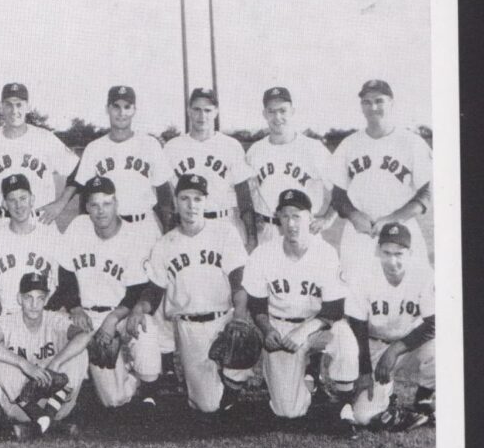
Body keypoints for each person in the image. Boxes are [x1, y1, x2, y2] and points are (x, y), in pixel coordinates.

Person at [130, 174, 252, 415]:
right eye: (185, 198)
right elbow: (154, 292)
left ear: (206, 202)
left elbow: (239, 282)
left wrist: (239, 314)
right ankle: (219, 383)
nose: (191, 205)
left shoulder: (225, 233)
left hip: (224, 320)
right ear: (176, 202)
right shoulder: (166, 243)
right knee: (207, 405)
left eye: (197, 198)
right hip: (189, 328)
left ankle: (233, 384)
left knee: (241, 344)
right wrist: (138, 309)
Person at [242, 189, 359, 425]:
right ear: (278, 219)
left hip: (317, 327)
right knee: (288, 411)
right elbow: (256, 305)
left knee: (345, 338)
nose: (291, 223)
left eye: (297, 216)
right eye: (285, 216)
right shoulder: (263, 254)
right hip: (280, 328)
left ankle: (345, 404)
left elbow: (335, 308)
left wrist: (304, 331)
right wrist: (267, 331)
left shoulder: (325, 253)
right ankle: (308, 381)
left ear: (310, 218)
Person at [48, 176, 162, 411]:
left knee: (146, 328)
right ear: (87, 207)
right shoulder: (79, 227)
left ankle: (149, 389)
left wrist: (112, 321)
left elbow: (136, 291)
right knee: (114, 400)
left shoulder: (133, 236)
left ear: (116, 203)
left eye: (106, 204)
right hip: (88, 317)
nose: (100, 211)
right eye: (94, 205)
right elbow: (66, 275)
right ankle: (128, 378)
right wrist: (76, 307)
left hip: (120, 315)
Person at [331, 79, 432, 279]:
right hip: (359, 232)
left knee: (410, 294)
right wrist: (353, 215)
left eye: (379, 101)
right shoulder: (349, 144)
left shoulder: (412, 142)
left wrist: (394, 218)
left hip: (401, 230)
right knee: (356, 297)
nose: (373, 107)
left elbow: (426, 193)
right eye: (367, 102)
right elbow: (338, 195)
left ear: (391, 103)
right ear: (361, 106)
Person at [0, 272, 90, 439]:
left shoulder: (54, 320)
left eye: (40, 298)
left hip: (55, 401)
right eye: (28, 298)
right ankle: (47, 423)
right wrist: (23, 364)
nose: (34, 304)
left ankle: (42, 422)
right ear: (19, 299)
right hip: (21, 405)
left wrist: (55, 364)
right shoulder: (9, 322)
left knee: (80, 353)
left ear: (46, 299)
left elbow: (83, 336)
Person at [346, 223, 435, 430]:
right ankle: (390, 404)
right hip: (373, 345)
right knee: (363, 417)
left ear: (410, 253)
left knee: (442, 345)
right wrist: (365, 371)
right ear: (377, 250)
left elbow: (434, 323)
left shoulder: (423, 274)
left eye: (399, 254)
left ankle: (423, 398)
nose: (392, 261)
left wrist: (394, 350)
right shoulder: (364, 274)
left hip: (409, 345)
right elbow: (356, 326)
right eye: (386, 253)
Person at [0, 82, 80, 233]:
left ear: (28, 107)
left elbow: (80, 170)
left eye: (19, 104)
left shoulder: (45, 139)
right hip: (2, 226)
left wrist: (60, 204)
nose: (14, 110)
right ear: (1, 107)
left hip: (41, 224)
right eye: (8, 105)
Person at [163, 87, 257, 252]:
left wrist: (251, 237)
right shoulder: (172, 148)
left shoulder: (231, 146)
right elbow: (166, 199)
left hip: (225, 223)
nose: (202, 116)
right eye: (197, 109)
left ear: (216, 112)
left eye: (208, 110)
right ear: (189, 111)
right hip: (187, 227)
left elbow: (244, 197)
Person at [73, 85, 175, 230]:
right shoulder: (94, 148)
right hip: (107, 229)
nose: (122, 113)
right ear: (107, 109)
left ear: (134, 110)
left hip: (143, 225)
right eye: (116, 107)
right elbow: (85, 198)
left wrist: (167, 231)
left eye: (127, 107)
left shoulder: (150, 144)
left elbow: (165, 195)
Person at [245, 87, 335, 246]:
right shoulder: (255, 151)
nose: (277, 117)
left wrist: (327, 219)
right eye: (271, 111)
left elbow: (341, 187)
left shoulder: (313, 148)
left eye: (283, 110)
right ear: (264, 114)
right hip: (267, 231)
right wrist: (254, 216)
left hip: (303, 230)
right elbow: (248, 192)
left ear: (292, 111)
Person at [0, 173, 63, 312]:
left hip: (41, 314)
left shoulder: (50, 234)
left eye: (23, 198)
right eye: (12, 200)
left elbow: (61, 281)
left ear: (32, 200)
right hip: (4, 315)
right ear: (4, 204)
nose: (18, 205)